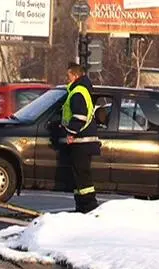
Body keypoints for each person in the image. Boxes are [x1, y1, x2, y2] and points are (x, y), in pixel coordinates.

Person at [61, 62, 101, 213]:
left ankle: (89, 207)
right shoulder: (82, 90)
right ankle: (82, 206)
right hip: (83, 141)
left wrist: (70, 132)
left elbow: (79, 117)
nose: (67, 78)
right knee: (80, 177)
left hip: (81, 142)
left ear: (75, 75)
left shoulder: (78, 92)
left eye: (69, 75)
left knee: (83, 177)